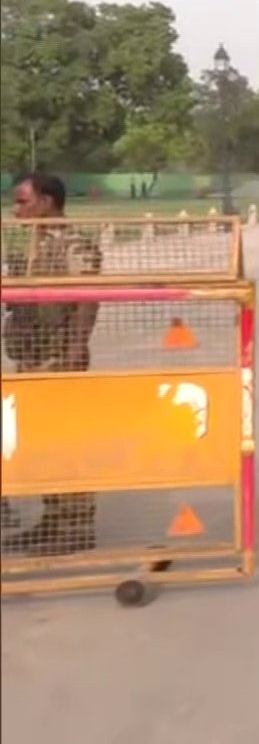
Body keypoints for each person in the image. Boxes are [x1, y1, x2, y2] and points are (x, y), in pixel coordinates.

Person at [1, 171, 105, 554]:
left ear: (47, 202)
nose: (16, 210)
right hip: (30, 358)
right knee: (40, 442)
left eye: (22, 201)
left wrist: (77, 347)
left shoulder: (74, 245)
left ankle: (77, 527)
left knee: (68, 441)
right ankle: (52, 520)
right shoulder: (31, 245)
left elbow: (88, 298)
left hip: (58, 358)